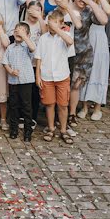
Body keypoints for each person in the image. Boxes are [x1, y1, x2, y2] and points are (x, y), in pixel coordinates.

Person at [34, 9, 75, 144]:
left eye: (54, 23)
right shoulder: (43, 39)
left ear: (61, 24)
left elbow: (69, 42)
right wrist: (38, 76)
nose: (51, 25)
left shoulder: (65, 35)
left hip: (62, 75)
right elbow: (38, 58)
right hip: (47, 76)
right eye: (50, 23)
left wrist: (58, 30)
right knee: (49, 103)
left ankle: (63, 130)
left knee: (63, 104)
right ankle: (51, 128)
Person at [2, 22, 37, 141]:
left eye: (22, 30)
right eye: (16, 30)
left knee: (26, 106)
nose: (18, 32)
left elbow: (33, 48)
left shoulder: (27, 46)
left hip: (26, 81)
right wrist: (10, 71)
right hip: (13, 81)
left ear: (27, 34)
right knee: (13, 105)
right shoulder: (10, 47)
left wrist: (25, 37)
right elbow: (5, 62)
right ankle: (14, 129)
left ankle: (28, 131)